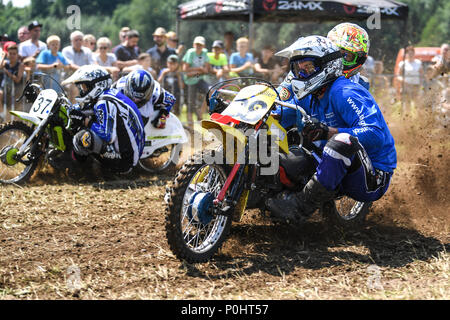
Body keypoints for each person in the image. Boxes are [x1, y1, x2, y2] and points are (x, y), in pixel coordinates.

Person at [265, 36, 397, 223]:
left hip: (372, 176)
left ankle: (300, 208)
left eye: (308, 67)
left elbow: (375, 133)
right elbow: (281, 113)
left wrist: (329, 132)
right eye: (297, 68)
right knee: (286, 137)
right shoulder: (308, 94)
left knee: (341, 140)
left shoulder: (344, 92)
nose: (301, 73)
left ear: (325, 66)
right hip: (334, 164)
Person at [62, 65, 145, 174]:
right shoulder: (108, 95)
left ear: (96, 86)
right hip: (128, 153)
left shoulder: (104, 102)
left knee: (82, 138)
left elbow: (107, 135)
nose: (82, 91)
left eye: (85, 87)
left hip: (124, 162)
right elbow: (85, 109)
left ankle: (78, 171)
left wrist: (86, 121)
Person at [327, 22, 371, 89]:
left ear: (359, 59)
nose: (340, 61)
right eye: (339, 53)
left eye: (347, 56)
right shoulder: (312, 73)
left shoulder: (360, 84)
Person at [182, 36, 210, 124]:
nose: (198, 46)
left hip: (199, 78)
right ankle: (190, 124)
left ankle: (200, 114)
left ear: (203, 46)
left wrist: (195, 71)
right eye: (197, 44)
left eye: (200, 45)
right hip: (190, 80)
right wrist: (199, 69)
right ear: (194, 45)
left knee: (209, 91)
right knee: (191, 103)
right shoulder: (190, 52)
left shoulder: (205, 52)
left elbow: (206, 70)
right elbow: (185, 69)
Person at [0, 42, 25, 114]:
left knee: (12, 108)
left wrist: (7, 72)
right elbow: (0, 66)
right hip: (4, 87)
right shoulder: (5, 63)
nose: (12, 55)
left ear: (17, 55)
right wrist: (3, 56)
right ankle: (1, 115)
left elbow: (17, 79)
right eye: (10, 53)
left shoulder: (20, 65)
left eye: (14, 54)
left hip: (15, 89)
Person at [397, 45, 423, 112]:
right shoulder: (402, 63)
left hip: (415, 86)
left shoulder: (418, 63)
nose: (410, 55)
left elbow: (421, 75)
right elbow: (398, 76)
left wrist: (421, 86)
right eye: (409, 53)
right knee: (407, 105)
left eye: (412, 53)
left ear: (414, 54)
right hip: (406, 86)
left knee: (418, 104)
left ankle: (418, 119)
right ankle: (407, 120)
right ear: (406, 54)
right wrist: (404, 81)